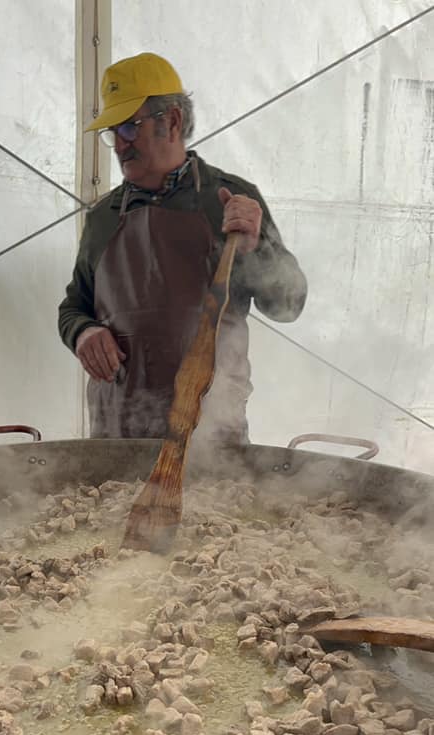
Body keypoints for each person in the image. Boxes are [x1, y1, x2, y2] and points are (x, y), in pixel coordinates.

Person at [58, 52, 307, 446]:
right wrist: (83, 332)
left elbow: (288, 306)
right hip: (116, 439)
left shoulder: (230, 200)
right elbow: (74, 307)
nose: (119, 145)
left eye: (129, 128)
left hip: (212, 439)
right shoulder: (103, 217)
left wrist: (256, 248)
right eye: (113, 132)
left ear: (172, 121)